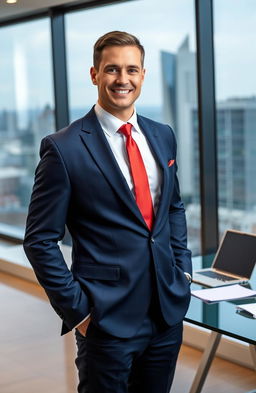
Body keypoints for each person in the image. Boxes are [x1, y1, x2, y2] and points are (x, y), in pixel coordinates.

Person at [23, 31, 192, 393]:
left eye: (131, 69)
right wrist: (79, 312)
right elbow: (39, 240)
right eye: (111, 69)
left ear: (143, 75)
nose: (122, 79)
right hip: (105, 318)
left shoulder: (163, 135)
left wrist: (184, 271)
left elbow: (173, 208)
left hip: (165, 312)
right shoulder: (63, 148)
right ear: (94, 74)